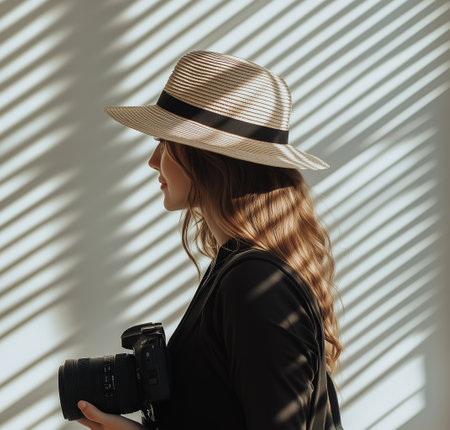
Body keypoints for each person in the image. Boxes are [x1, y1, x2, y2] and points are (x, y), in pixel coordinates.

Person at [76, 51, 343, 430]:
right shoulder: (235, 268)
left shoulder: (253, 283)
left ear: (208, 159)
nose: (153, 160)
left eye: (165, 143)